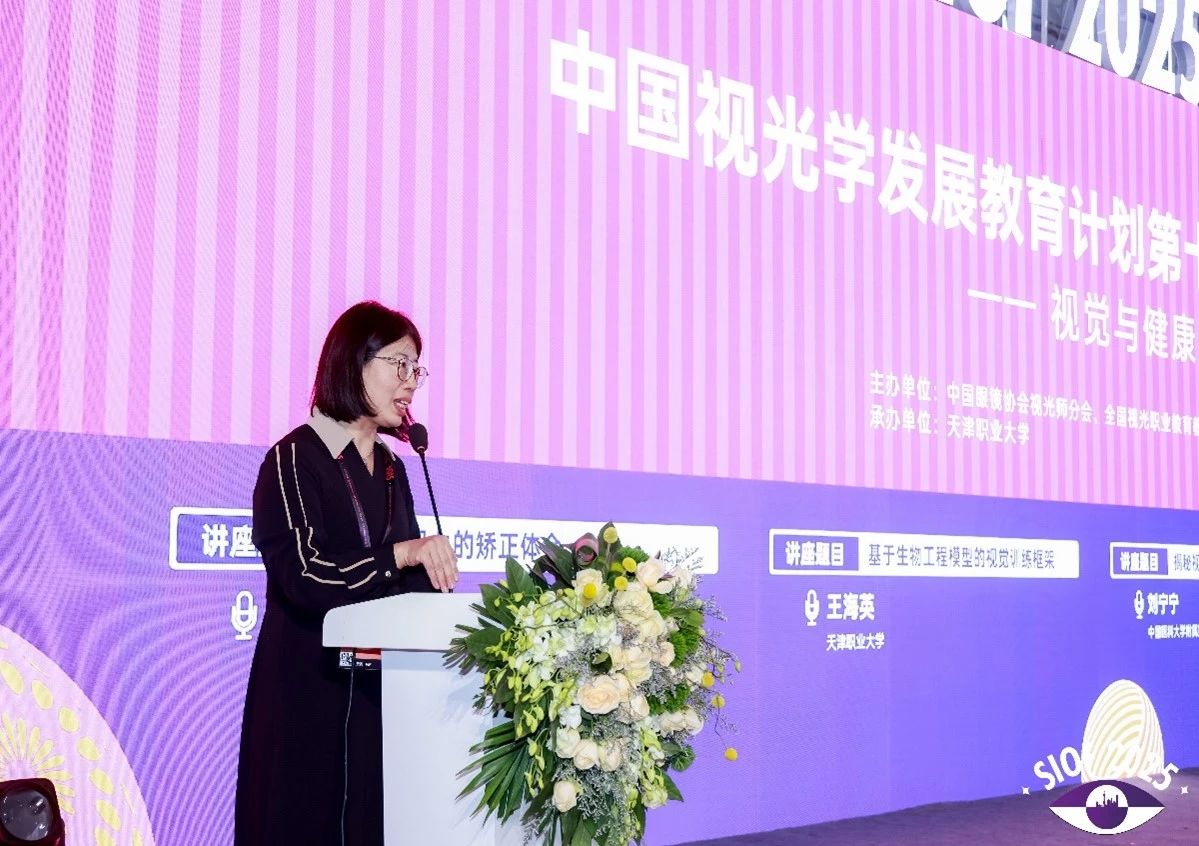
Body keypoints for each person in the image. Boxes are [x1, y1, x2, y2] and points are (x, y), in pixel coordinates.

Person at [234, 301, 458, 845]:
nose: (411, 382)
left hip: (380, 705)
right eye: (400, 364)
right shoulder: (293, 459)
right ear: (355, 362)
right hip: (307, 699)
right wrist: (399, 555)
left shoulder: (393, 468)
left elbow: (406, 586)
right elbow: (305, 577)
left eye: (417, 368)